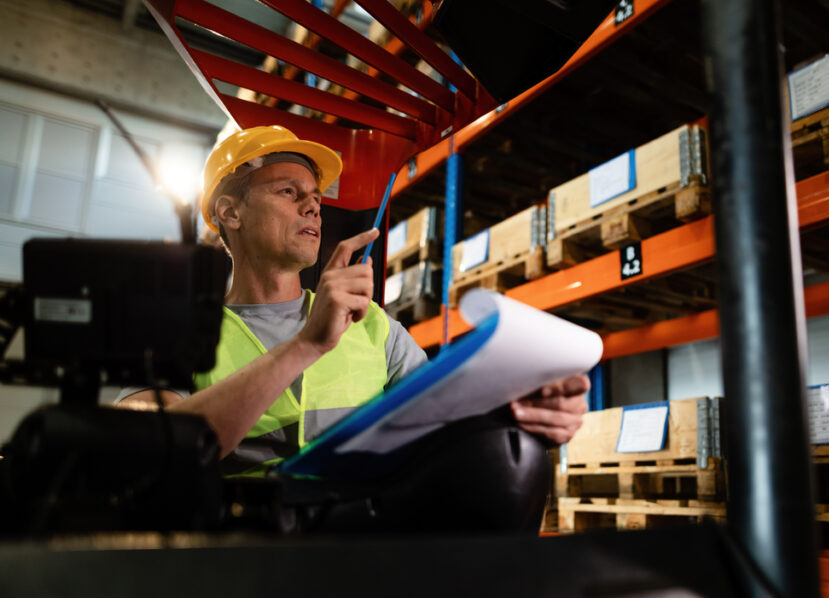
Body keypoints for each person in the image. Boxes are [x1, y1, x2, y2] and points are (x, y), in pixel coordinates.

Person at [118, 125, 590, 532]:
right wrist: (307, 345)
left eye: (316, 198)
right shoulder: (177, 331)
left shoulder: (375, 327)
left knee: (517, 458)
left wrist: (523, 415)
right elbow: (145, 446)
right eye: (289, 192)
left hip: (365, 530)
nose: (312, 208)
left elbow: (449, 428)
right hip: (245, 540)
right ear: (230, 212)